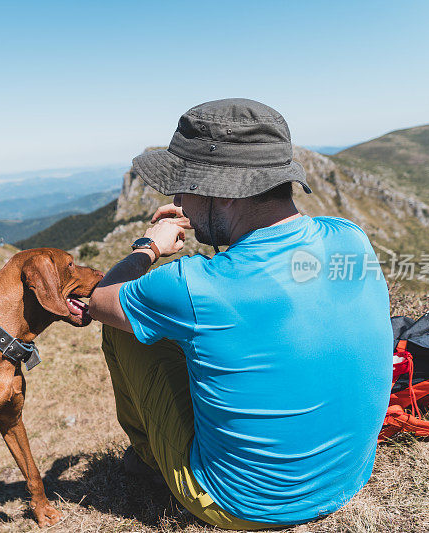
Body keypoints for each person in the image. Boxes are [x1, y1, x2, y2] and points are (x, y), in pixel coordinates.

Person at [88, 99, 393, 530]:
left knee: (124, 328)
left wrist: (148, 247)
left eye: (182, 187)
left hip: (243, 505)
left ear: (219, 192)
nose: (177, 201)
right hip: (349, 475)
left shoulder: (191, 284)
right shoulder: (351, 237)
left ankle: (149, 460)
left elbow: (102, 300)